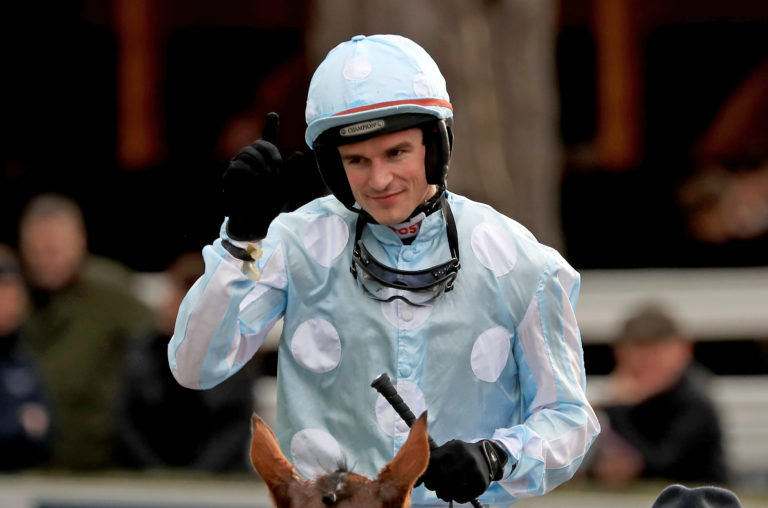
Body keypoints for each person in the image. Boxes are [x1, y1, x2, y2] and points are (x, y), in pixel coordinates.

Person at [170, 34, 599, 506]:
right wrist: (241, 241)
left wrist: (498, 455)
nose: (379, 180)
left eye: (397, 153)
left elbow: (570, 418)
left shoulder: (525, 263)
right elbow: (195, 366)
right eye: (357, 160)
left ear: (434, 146)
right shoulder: (290, 244)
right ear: (334, 168)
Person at [18, 193, 153, 469]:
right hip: (24, 459)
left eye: (53, 249)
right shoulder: (13, 293)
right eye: (34, 250)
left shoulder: (112, 295)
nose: (43, 260)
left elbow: (162, 351)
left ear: (80, 242)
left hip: (99, 459)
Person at [115, 252, 255, 472]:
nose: (173, 303)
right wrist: (157, 475)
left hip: (215, 481)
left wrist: (197, 478)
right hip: (148, 479)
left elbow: (233, 427)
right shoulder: (143, 353)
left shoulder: (231, 354)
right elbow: (127, 423)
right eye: (174, 292)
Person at [587, 303, 727, 485]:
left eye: (654, 357)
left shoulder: (694, 403)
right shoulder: (632, 399)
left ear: (682, 351)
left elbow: (661, 467)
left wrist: (617, 408)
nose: (644, 365)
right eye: (637, 357)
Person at [0, 244, 54, 471]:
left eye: (15, 289)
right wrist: (18, 424)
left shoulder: (21, 349)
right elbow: (30, 421)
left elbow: (47, 424)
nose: (12, 301)